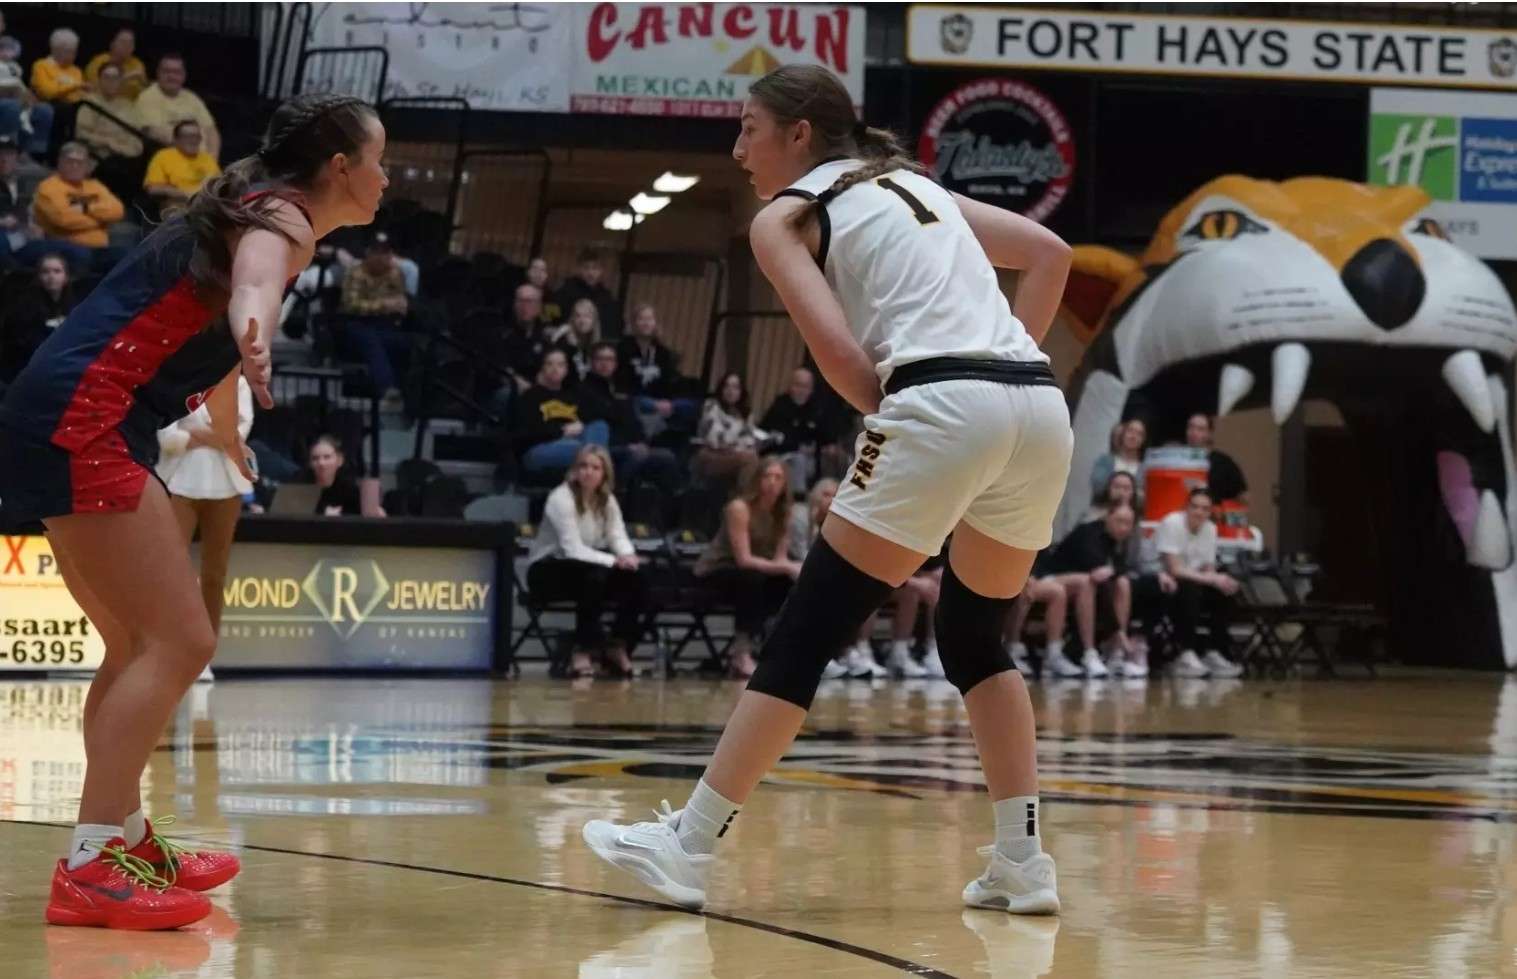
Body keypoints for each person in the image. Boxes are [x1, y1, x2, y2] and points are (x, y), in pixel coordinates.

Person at [583, 64, 1073, 916]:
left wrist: (936, 415)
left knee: (805, 632)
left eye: (747, 129)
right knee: (971, 635)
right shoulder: (914, 184)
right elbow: (1049, 253)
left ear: (798, 135)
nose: (738, 149)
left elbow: (847, 365)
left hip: (942, 400)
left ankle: (687, 845)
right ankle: (1021, 861)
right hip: (1037, 406)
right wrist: (992, 384)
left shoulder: (784, 217)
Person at [0, 92, 387, 929]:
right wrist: (256, 326)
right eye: (380, 161)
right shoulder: (280, 219)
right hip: (86, 413)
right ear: (340, 170)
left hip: (66, 408)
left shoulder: (253, 204)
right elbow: (251, 283)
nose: (387, 179)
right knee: (182, 638)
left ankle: (122, 836)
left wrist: (220, 423)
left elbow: (200, 321)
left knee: (134, 643)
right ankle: (95, 863)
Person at [156, 375, 254, 682]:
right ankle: (169, 651)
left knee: (214, 574)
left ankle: (204, 657)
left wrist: (193, 432)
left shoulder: (238, 384)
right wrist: (215, 434)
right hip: (178, 482)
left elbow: (237, 435)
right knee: (171, 572)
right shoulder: (175, 378)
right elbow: (167, 438)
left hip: (227, 486)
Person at [528, 444, 646, 679]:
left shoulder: (607, 499)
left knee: (637, 578)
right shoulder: (560, 498)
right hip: (547, 569)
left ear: (604, 473)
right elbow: (572, 548)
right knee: (593, 577)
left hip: (586, 564)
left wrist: (628, 556)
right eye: (583, 466)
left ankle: (618, 645)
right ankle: (582, 650)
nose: (588, 472)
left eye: (595, 467)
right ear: (574, 470)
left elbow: (617, 535)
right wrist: (614, 561)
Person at [693, 455, 800, 680]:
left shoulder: (785, 513)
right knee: (751, 579)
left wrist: (794, 568)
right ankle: (741, 651)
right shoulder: (739, 508)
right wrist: (788, 567)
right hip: (717, 569)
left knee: (788, 584)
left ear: (785, 484)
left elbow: (780, 560)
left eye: (778, 477)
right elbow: (744, 559)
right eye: (767, 476)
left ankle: (779, 647)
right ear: (757, 480)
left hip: (756, 571)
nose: (772, 482)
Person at [1031, 503, 1144, 679]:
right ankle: (1089, 652)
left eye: (1128, 523)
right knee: (1087, 583)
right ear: (1107, 517)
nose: (1123, 527)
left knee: (1122, 583)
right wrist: (1118, 630)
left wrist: (1114, 571)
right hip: (1049, 577)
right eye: (1119, 521)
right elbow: (1097, 576)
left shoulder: (1116, 541)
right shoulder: (1089, 534)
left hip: (1082, 586)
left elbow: (1118, 570)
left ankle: (1116, 654)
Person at [1147, 488, 1244, 679]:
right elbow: (1174, 569)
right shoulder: (1172, 523)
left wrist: (1219, 581)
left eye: (1205, 509)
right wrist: (1211, 578)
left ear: (1210, 512)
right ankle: (1185, 653)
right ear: (1186, 508)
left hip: (1191, 581)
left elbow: (1208, 569)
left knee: (1224, 590)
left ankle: (1213, 651)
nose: (1199, 512)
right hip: (1161, 582)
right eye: (1195, 507)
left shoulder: (1210, 529)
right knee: (1189, 588)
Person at [580, 341, 680, 495]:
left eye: (610, 360)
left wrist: (641, 441)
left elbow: (633, 420)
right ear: (592, 362)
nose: (605, 364)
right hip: (605, 448)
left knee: (667, 457)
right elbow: (599, 420)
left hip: (631, 445)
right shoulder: (584, 389)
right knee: (637, 455)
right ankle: (610, 493)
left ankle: (662, 512)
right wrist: (630, 445)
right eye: (600, 359)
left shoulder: (621, 388)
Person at [336, 230, 410, 409]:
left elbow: (399, 300)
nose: (381, 256)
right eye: (377, 252)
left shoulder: (395, 273)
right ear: (368, 253)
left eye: (385, 252)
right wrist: (384, 305)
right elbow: (351, 305)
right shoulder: (356, 272)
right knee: (371, 339)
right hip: (355, 324)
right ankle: (387, 389)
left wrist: (401, 307)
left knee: (408, 343)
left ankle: (411, 395)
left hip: (385, 325)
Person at [513, 348, 609, 482]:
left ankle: (590, 471)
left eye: (560, 365)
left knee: (599, 425)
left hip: (574, 443)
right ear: (542, 368)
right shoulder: (531, 396)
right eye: (549, 364)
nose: (555, 368)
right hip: (539, 449)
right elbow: (527, 432)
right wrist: (563, 431)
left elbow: (604, 411)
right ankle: (595, 476)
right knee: (587, 451)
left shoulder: (573, 394)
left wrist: (582, 423)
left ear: (566, 369)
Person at [0, 136, 90, 271]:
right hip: (7, 239)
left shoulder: (27, 183)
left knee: (80, 252)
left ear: (17, 158)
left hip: (25, 240)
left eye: (9, 154)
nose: (4, 159)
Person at [31, 142, 125, 259]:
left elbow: (118, 211)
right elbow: (64, 219)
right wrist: (102, 221)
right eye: (70, 161)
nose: (75, 166)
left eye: (80, 162)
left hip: (99, 248)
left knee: (125, 256)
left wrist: (84, 207)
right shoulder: (48, 187)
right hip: (64, 248)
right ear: (60, 162)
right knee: (81, 255)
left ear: (87, 166)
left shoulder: (95, 186)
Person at [760, 365, 845, 494]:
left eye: (805, 386)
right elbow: (767, 434)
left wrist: (828, 447)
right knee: (798, 460)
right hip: (781, 454)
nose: (801, 390)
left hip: (811, 459)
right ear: (790, 386)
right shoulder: (780, 405)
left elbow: (826, 437)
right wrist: (798, 447)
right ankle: (798, 497)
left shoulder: (817, 409)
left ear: (811, 389)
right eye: (797, 385)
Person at [0, 252, 74, 383]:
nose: (51, 276)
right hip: (30, 370)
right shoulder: (24, 308)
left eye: (57, 271)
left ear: (66, 277)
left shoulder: (75, 306)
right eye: (45, 272)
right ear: (38, 278)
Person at [135, 54, 220, 160]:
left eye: (176, 72)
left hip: (201, 160)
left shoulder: (191, 97)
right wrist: (196, 155)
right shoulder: (147, 97)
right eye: (166, 71)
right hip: (169, 159)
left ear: (183, 75)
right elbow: (156, 133)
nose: (171, 76)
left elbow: (211, 131)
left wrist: (212, 160)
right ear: (158, 73)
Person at [693, 371, 762, 488]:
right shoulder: (711, 406)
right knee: (750, 459)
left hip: (734, 457)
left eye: (735, 387)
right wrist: (737, 446)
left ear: (741, 392)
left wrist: (737, 447)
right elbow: (716, 440)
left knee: (758, 460)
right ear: (721, 389)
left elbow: (749, 441)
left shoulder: (745, 413)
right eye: (727, 386)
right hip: (709, 455)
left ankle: (739, 497)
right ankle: (742, 499)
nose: (731, 391)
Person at [143, 120, 220, 210]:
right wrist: (185, 194)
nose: (193, 140)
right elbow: (153, 189)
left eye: (196, 136)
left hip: (207, 206)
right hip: (179, 207)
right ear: (176, 140)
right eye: (187, 136)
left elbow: (219, 183)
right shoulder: (164, 156)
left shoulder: (206, 158)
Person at [75, 62, 143, 161]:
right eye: (106, 77)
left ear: (120, 81)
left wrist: (120, 148)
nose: (111, 81)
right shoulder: (89, 102)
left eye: (115, 78)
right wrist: (107, 142)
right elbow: (81, 133)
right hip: (97, 155)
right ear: (99, 80)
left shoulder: (128, 105)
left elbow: (136, 139)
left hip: (125, 157)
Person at [0, 35, 53, 158]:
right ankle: (7, 152)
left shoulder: (14, 67)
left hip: (15, 101)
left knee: (44, 110)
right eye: (2, 49)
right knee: (12, 107)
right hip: (6, 103)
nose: (5, 53)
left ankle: (31, 155)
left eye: (8, 49)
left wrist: (29, 97)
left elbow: (21, 87)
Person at [556, 246, 621, 337]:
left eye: (595, 268)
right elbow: (550, 316)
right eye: (586, 268)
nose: (590, 273)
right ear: (579, 269)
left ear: (601, 271)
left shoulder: (607, 297)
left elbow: (613, 325)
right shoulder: (565, 291)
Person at [1185, 412, 1248, 505]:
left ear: (1209, 433)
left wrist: (1221, 509)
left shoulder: (1224, 462)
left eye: (1200, 429)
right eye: (1191, 427)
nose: (1194, 432)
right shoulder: (1176, 460)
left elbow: (1244, 498)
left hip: (1213, 515)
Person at [1090, 417, 1146, 503]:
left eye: (1139, 434)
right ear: (1122, 434)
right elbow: (1097, 487)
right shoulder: (1105, 461)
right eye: (1130, 431)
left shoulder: (1144, 470)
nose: (1133, 436)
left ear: (1143, 440)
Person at [308, 434, 366, 516]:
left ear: (340, 460)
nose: (321, 463)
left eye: (327, 457)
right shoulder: (299, 488)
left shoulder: (351, 492)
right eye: (315, 458)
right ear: (310, 463)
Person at [543, 297, 600, 379]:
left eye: (587, 316)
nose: (582, 321)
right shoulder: (564, 341)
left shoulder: (594, 344)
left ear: (594, 320)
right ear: (572, 319)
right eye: (578, 316)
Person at [84, 28, 148, 100]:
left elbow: (145, 92)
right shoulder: (98, 62)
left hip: (128, 106)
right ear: (112, 44)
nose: (127, 46)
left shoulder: (137, 64)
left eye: (131, 43)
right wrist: (126, 78)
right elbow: (94, 89)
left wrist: (143, 82)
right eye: (123, 42)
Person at [30, 27, 86, 106]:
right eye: (69, 51)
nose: (73, 55)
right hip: (48, 106)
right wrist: (74, 86)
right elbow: (47, 93)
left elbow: (78, 96)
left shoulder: (76, 70)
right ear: (54, 49)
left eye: (74, 51)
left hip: (72, 108)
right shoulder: (41, 66)